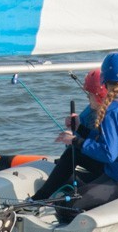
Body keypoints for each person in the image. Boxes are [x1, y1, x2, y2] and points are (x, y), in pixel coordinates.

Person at [50, 52, 118, 224]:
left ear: (105, 78)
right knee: (77, 190)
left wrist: (75, 141)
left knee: (64, 206)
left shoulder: (114, 110)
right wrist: (81, 130)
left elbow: (108, 154)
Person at [29, 68, 108, 202]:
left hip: (113, 169)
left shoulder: (112, 115)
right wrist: (74, 129)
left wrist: (76, 140)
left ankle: (38, 199)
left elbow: (105, 149)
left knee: (73, 154)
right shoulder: (90, 111)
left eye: (90, 94)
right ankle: (44, 197)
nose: (87, 97)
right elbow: (87, 137)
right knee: (69, 163)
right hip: (103, 164)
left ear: (99, 95)